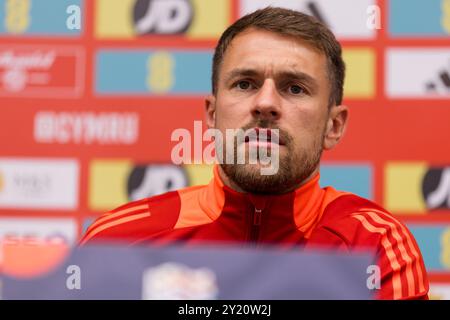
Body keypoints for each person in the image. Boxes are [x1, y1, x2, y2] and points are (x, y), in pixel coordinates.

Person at [80, 7, 429, 300]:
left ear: (333, 126)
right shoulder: (116, 243)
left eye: (295, 88)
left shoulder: (374, 246)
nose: (265, 103)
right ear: (212, 115)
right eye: (245, 84)